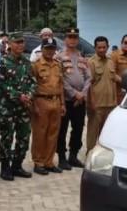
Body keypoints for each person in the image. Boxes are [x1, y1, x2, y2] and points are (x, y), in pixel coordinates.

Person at [0, 32, 35, 181]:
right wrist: (19, 95)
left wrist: (29, 95)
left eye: (22, 42)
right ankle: (5, 167)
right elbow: (2, 83)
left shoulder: (26, 62)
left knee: (24, 137)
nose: (20, 45)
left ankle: (17, 165)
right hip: (8, 107)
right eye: (17, 42)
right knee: (7, 137)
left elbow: (33, 81)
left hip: (23, 108)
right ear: (10, 44)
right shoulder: (3, 62)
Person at [29, 37, 65, 175]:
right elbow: (31, 86)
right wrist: (34, 105)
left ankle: (49, 162)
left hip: (55, 101)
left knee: (53, 133)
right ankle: (38, 162)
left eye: (52, 49)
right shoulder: (36, 65)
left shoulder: (58, 64)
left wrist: (62, 103)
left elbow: (60, 85)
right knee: (40, 133)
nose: (50, 52)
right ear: (42, 49)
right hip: (41, 101)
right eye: (47, 49)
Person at [57, 28, 91, 169]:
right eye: (70, 37)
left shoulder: (82, 56)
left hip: (80, 100)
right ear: (65, 39)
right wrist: (73, 93)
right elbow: (60, 79)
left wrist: (82, 94)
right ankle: (61, 158)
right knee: (62, 129)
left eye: (75, 37)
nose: (72, 40)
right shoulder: (59, 56)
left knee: (78, 129)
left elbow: (89, 77)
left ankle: (73, 156)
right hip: (66, 100)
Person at [86, 36, 117, 152]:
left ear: (108, 47)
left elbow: (114, 79)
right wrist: (92, 103)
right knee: (92, 133)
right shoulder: (91, 62)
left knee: (106, 134)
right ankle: (89, 154)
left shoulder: (111, 62)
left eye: (104, 47)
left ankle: (102, 157)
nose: (102, 50)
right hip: (96, 105)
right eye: (99, 47)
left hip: (110, 105)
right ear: (95, 48)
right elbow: (89, 84)